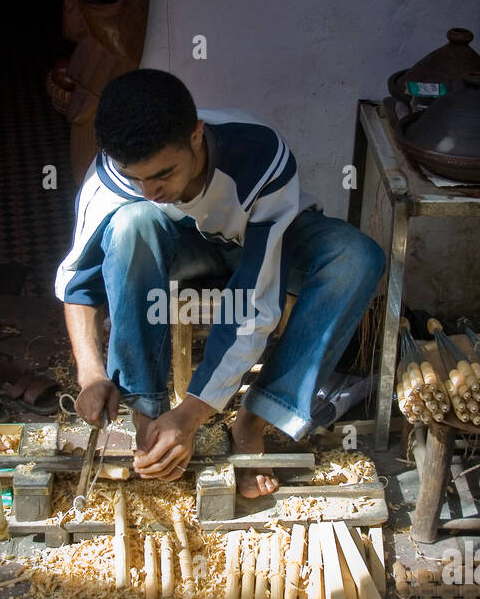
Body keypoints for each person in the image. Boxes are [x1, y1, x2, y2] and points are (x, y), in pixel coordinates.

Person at [55, 69, 385, 498]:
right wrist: (91, 375)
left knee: (356, 257)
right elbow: (79, 282)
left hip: (263, 240)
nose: (151, 189)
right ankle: (148, 417)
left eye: (164, 174)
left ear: (196, 136)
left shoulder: (260, 154)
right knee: (130, 225)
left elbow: (254, 300)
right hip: (180, 246)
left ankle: (253, 420)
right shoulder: (110, 179)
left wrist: (191, 415)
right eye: (138, 179)